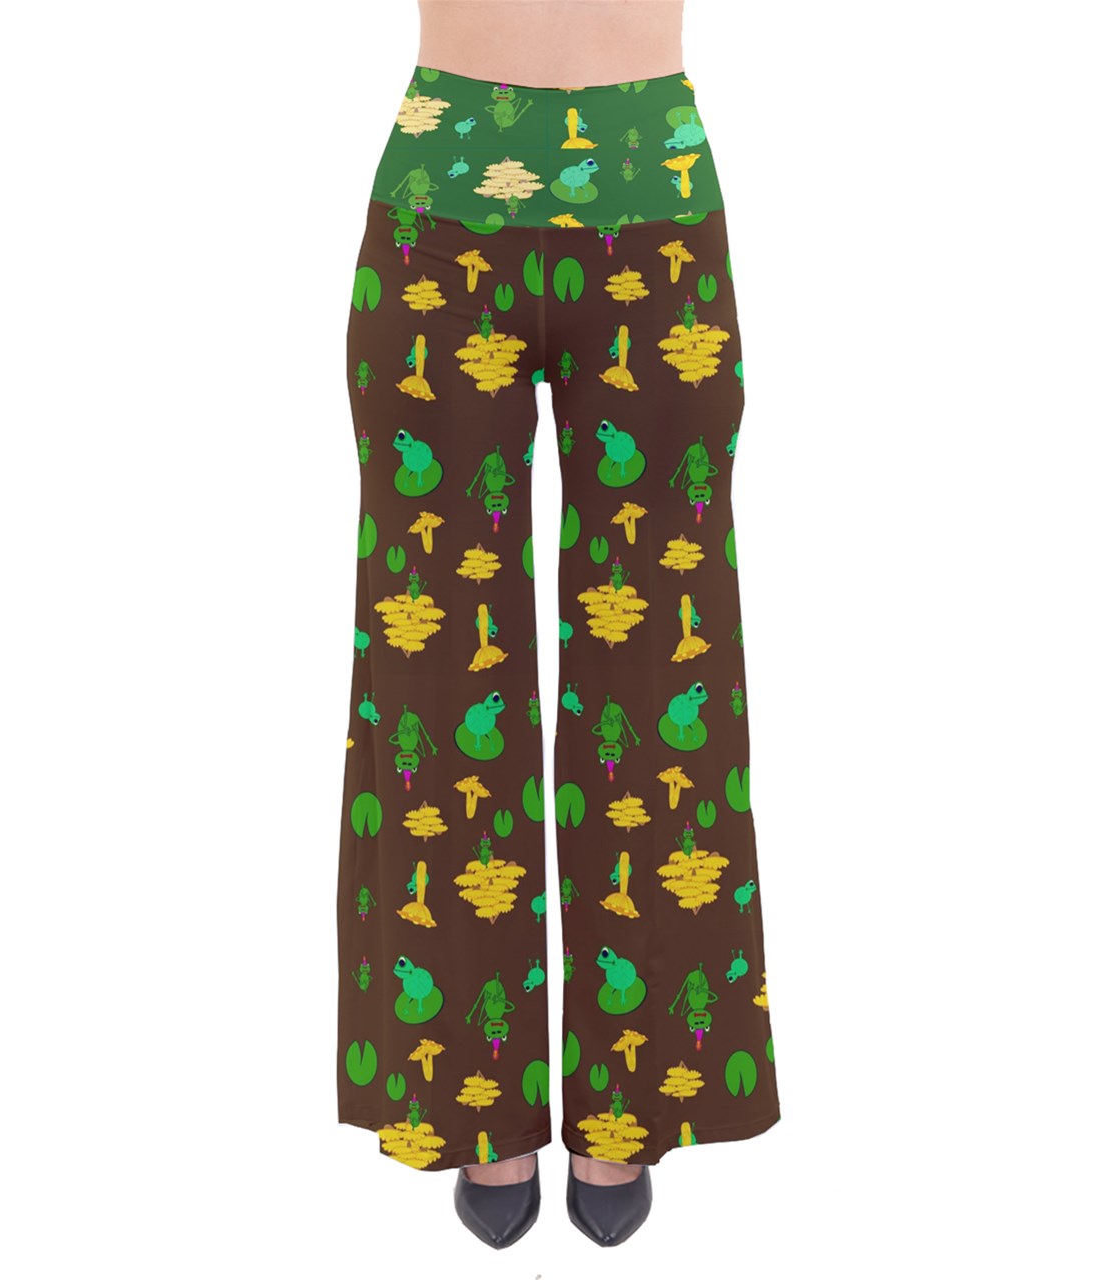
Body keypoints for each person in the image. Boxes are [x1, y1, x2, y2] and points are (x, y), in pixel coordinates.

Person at [336, 0, 781, 1248]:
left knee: (663, 660)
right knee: (431, 668)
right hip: (439, 207)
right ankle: (469, 1096)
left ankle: (636, 1090)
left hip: (653, 200)